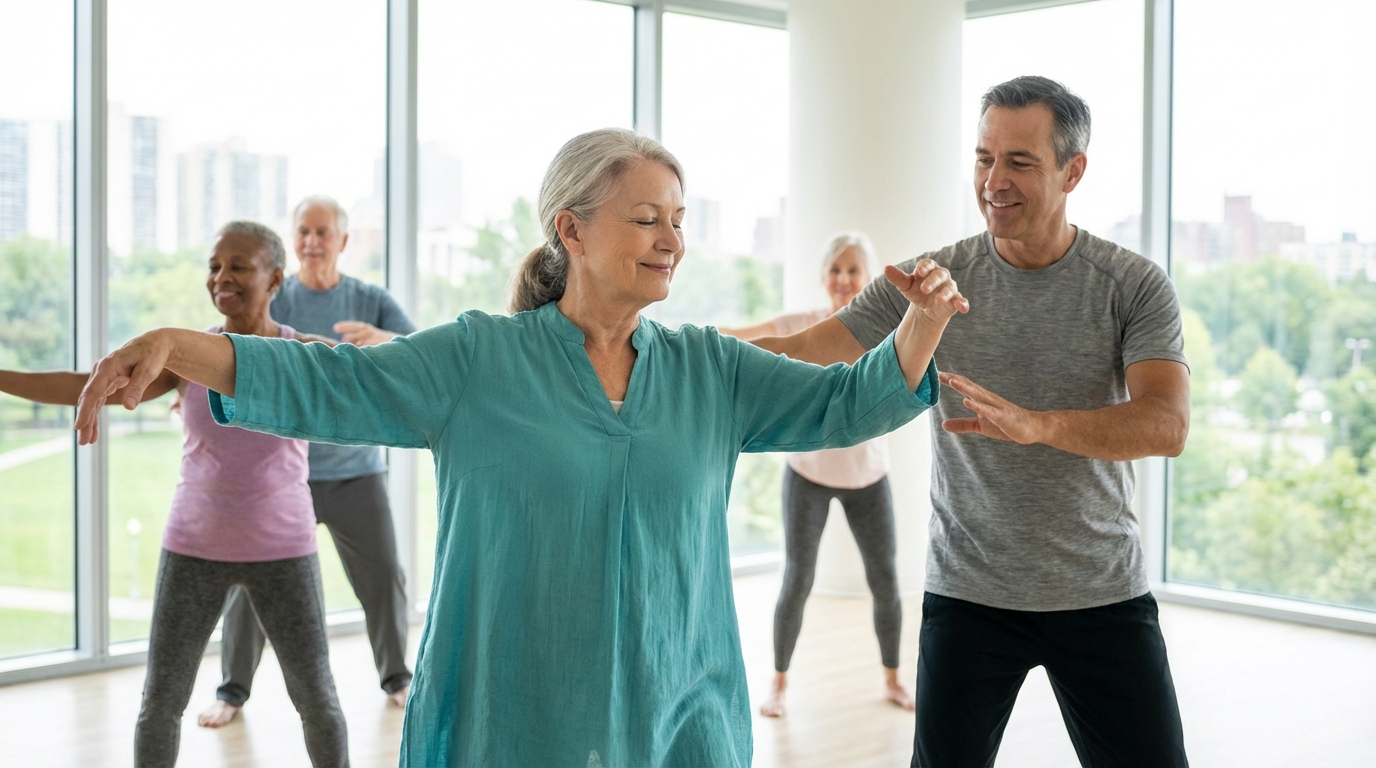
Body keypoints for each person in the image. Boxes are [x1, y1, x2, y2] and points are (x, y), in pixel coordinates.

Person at [74, 128, 968, 767]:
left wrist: (922, 325)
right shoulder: (478, 359)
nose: (673, 239)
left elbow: (849, 404)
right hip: (510, 713)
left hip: (680, 711)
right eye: (647, 217)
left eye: (680, 219)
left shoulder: (710, 369)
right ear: (571, 231)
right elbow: (327, 383)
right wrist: (179, 345)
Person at [756, 76, 1192, 766]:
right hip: (969, 595)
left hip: (1101, 594)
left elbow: (1165, 425)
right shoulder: (932, 281)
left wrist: (1039, 425)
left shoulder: (1130, 284)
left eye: (1020, 162)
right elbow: (809, 350)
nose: (995, 180)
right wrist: (664, 353)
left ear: (1073, 170)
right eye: (985, 158)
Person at [1, 222, 349, 767]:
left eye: (238, 265)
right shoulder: (187, 358)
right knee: (160, 703)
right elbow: (82, 382)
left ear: (276, 277)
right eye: (214, 266)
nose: (222, 277)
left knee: (316, 700)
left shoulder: (301, 353)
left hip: (284, 549)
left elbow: (365, 384)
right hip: (193, 546)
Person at [199, 195, 417, 729]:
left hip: (356, 472)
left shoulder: (371, 299)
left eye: (323, 232)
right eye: (303, 232)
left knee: (384, 576)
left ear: (343, 240)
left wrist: (384, 341)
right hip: (284, 478)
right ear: (292, 241)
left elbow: (418, 355)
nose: (312, 242)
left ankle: (397, 678)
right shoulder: (277, 296)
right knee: (250, 585)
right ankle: (232, 690)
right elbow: (239, 352)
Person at [722, 231, 913, 717]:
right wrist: (686, 340)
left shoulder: (882, 332)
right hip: (807, 473)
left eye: (852, 270)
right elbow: (745, 336)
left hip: (867, 476)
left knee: (885, 580)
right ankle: (779, 684)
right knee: (798, 577)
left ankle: (894, 678)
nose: (843, 279)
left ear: (866, 278)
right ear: (824, 275)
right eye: (836, 269)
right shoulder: (803, 324)